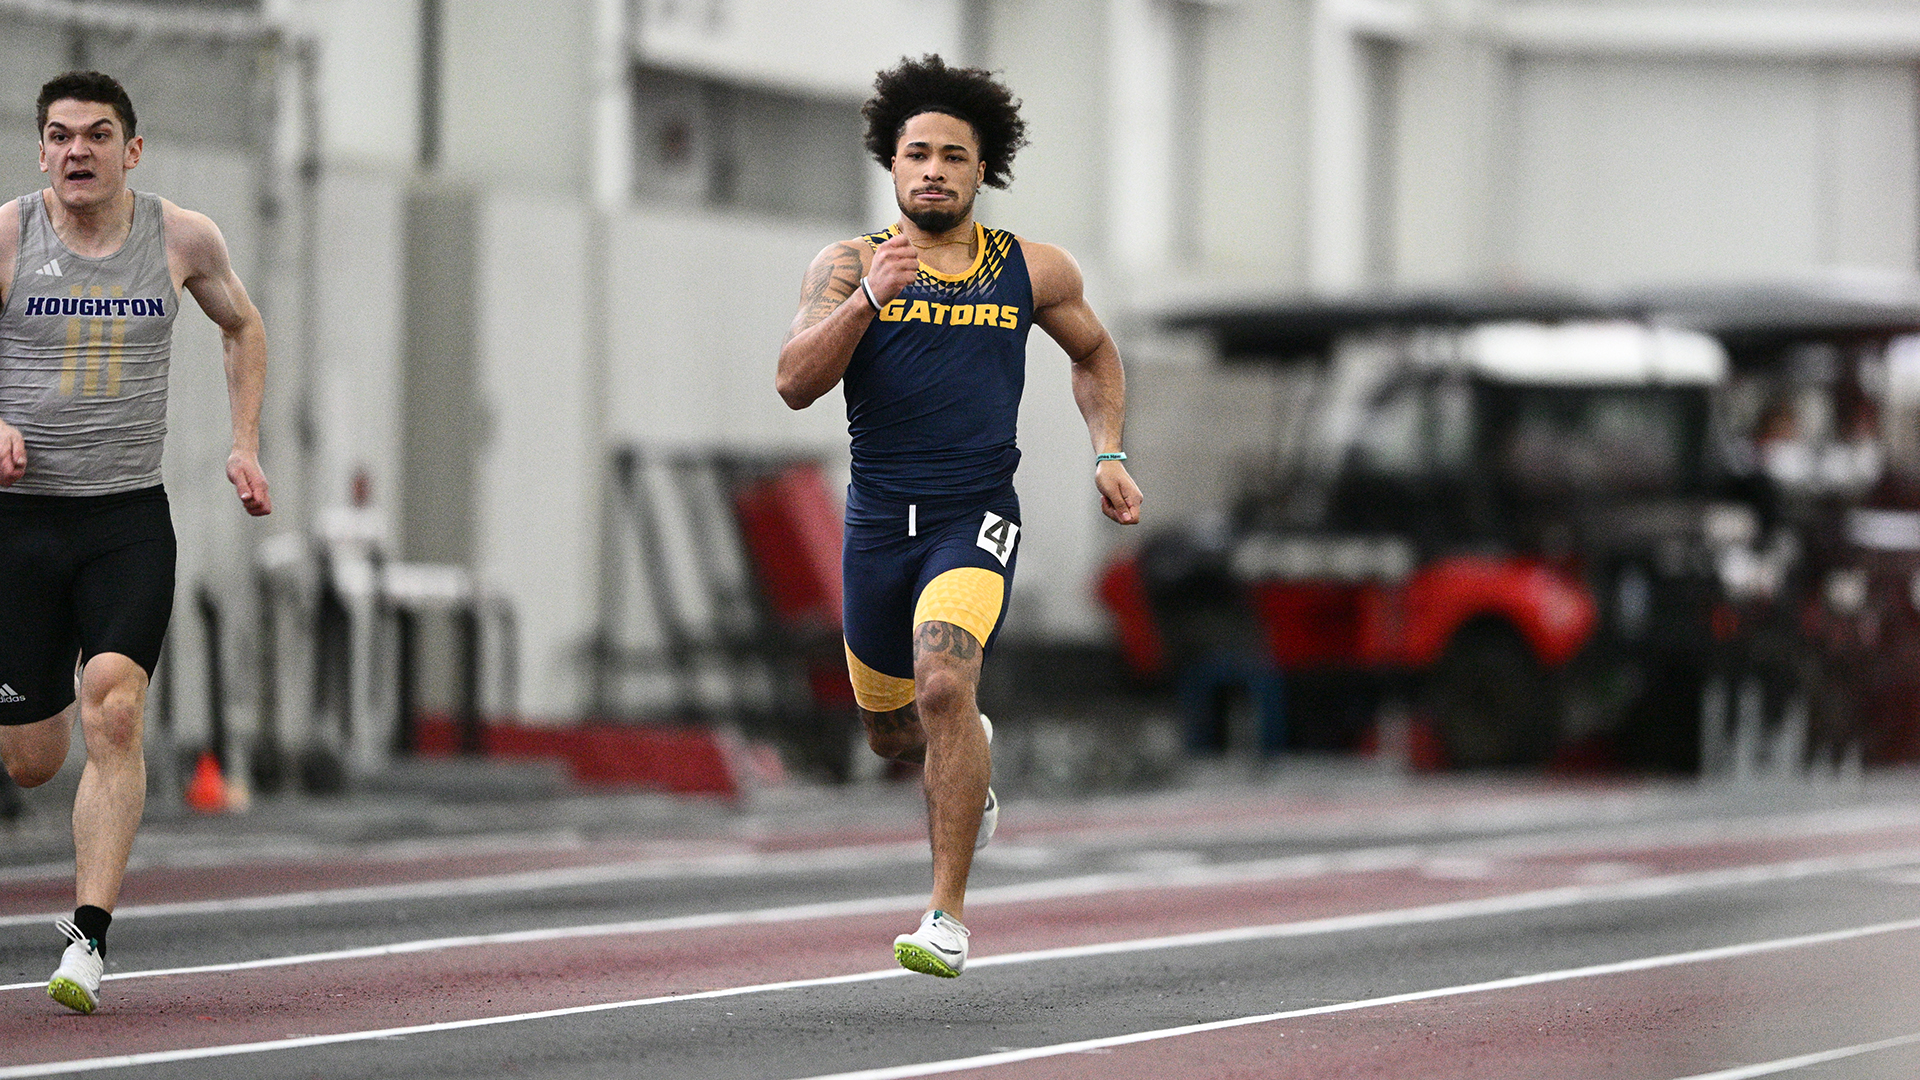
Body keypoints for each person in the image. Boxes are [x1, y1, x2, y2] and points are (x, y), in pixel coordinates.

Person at [777, 54, 1142, 977]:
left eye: (953, 155)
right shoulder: (849, 264)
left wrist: (1108, 452)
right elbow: (792, 384)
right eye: (916, 154)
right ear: (891, 166)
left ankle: (944, 917)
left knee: (943, 680)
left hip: (973, 515)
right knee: (895, 731)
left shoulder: (1030, 268)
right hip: (876, 526)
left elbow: (1096, 355)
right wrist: (869, 301)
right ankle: (967, 756)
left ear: (984, 171)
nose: (933, 169)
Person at [0, 71, 272, 1014]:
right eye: (61, 135)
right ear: (41, 151)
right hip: (20, 522)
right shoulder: (9, 234)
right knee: (32, 758)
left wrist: (243, 443)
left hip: (124, 518)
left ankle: (88, 941)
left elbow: (241, 325)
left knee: (114, 708)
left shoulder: (182, 238)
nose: (79, 150)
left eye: (98, 134)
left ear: (132, 151)